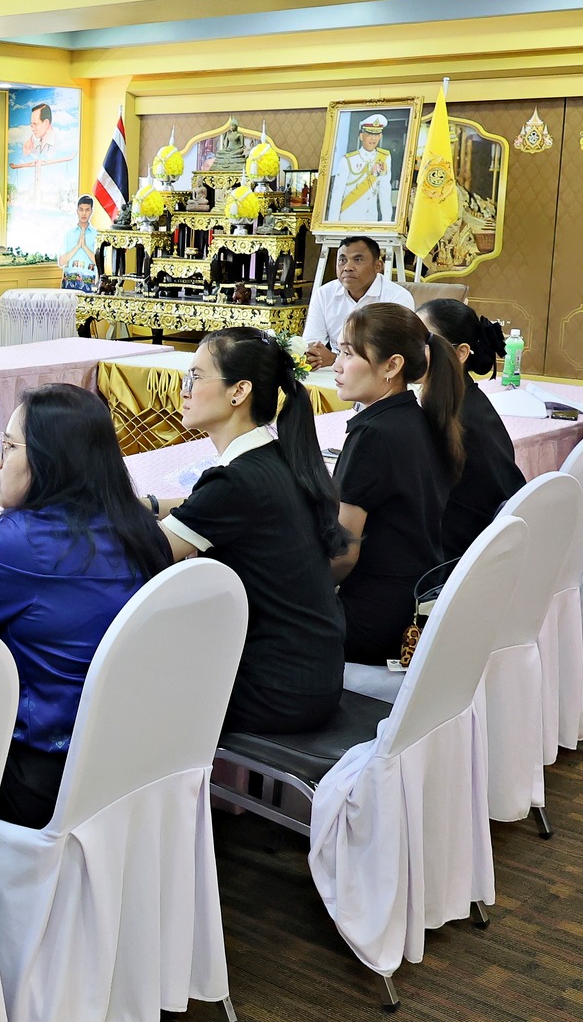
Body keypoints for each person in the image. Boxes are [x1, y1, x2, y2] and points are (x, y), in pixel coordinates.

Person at [0, 385, 172, 827]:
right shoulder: (138, 527)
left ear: (50, 459)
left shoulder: (20, 545)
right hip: (123, 761)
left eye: (8, 446)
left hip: (41, 774)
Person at [156, 329, 349, 733]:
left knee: (127, 679)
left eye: (195, 377)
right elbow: (206, 508)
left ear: (238, 391)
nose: (184, 390)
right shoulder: (275, 458)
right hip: (311, 675)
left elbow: (145, 552)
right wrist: (149, 505)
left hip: (275, 691)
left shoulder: (236, 483)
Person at [330, 302, 465, 665]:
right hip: (411, 602)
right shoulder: (418, 418)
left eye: (347, 353)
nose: (336, 365)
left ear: (392, 366)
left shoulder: (373, 434)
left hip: (373, 619)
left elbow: (343, 553)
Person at [419, 299, 526, 562]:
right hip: (485, 547)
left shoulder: (454, 413)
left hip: (465, 558)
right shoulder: (464, 399)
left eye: (421, 341)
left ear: (461, 353)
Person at [299, 236, 413, 372]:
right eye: (342, 260)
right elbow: (311, 342)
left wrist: (334, 358)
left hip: (380, 373)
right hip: (334, 371)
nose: (347, 267)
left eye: (358, 260)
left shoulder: (397, 297)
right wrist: (313, 356)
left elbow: (394, 350)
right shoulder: (324, 294)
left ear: (378, 266)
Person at [327, 113, 396, 225]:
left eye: (377, 134)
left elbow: (385, 190)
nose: (373, 138)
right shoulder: (348, 160)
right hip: (348, 218)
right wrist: (332, 224)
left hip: (371, 219)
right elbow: (337, 194)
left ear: (380, 136)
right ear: (361, 136)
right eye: (369, 134)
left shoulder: (385, 157)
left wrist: (386, 222)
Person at [58, 195, 100, 290]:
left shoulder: (97, 235)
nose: (84, 213)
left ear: (91, 211)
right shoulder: (69, 234)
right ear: (77, 211)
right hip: (69, 281)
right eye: (81, 209)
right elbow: (61, 262)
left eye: (87, 210)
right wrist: (77, 246)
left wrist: (84, 246)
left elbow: (100, 262)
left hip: (89, 282)